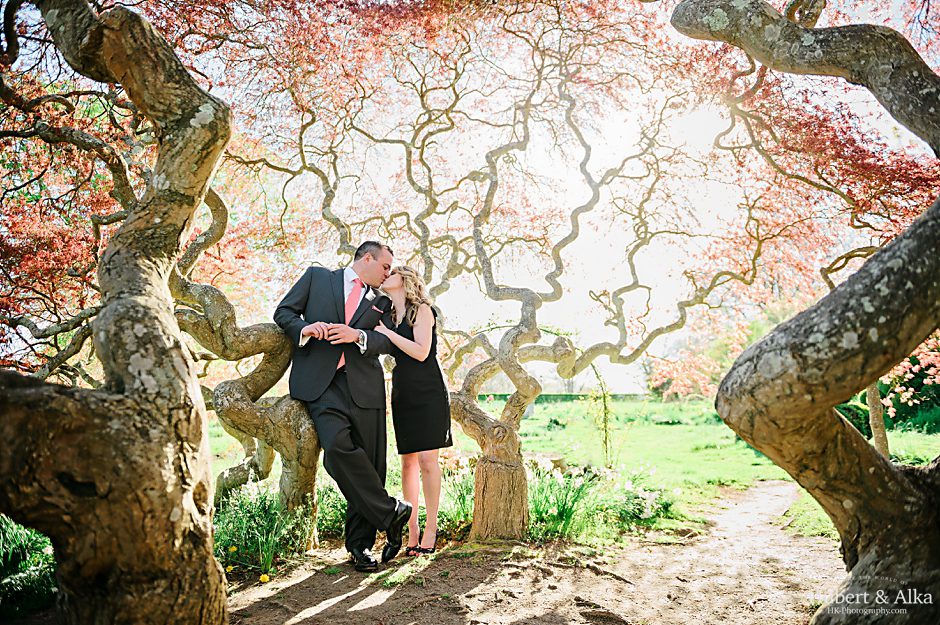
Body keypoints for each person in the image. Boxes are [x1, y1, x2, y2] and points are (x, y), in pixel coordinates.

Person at [273, 241, 412, 572]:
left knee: (370, 466)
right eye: (385, 267)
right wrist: (304, 329)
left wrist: (358, 337)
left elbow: (388, 341)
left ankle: (360, 547)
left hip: (366, 389)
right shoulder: (316, 278)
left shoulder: (382, 301)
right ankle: (390, 512)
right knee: (337, 451)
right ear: (367, 258)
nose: (388, 273)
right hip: (322, 385)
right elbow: (284, 312)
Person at [374, 265, 453, 555]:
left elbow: (421, 351)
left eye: (391, 272)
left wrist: (387, 334)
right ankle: (413, 528)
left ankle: (431, 528)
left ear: (405, 280)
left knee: (427, 461)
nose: (386, 276)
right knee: (407, 463)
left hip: (428, 389)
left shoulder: (422, 310)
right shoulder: (386, 314)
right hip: (402, 389)